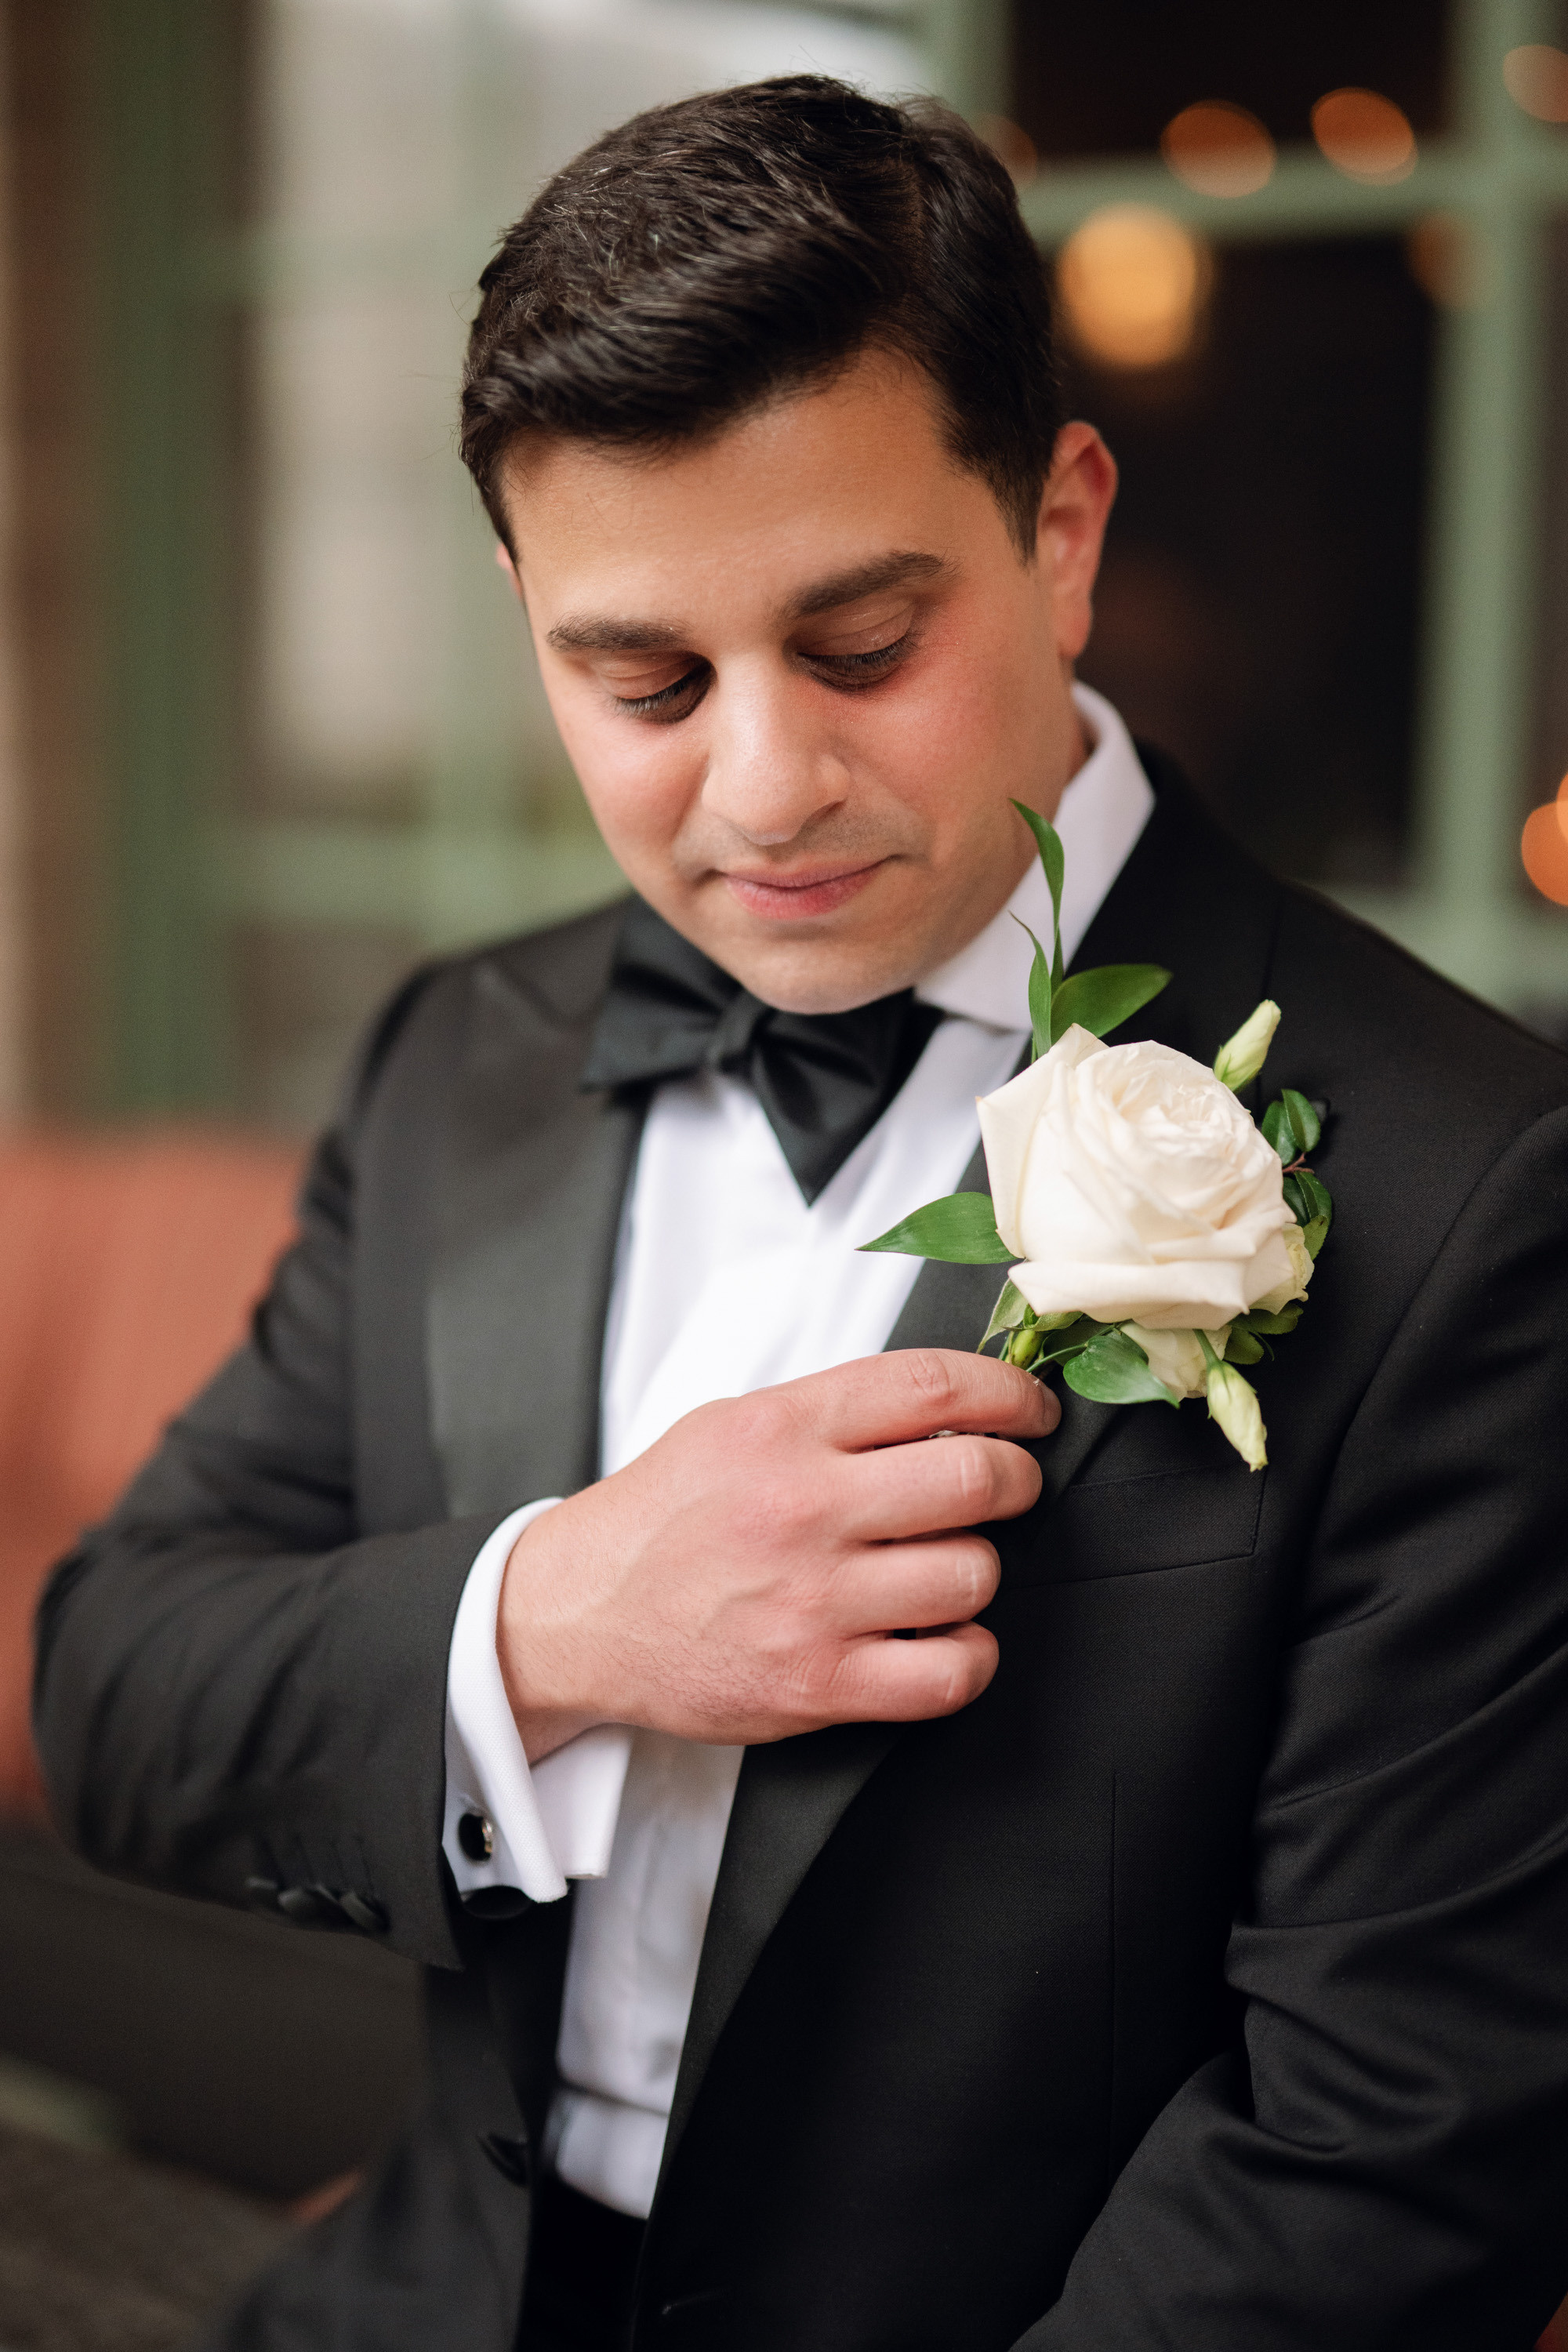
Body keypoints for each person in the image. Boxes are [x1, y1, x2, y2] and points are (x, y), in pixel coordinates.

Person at [31, 74, 1568, 2352]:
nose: (763, 788)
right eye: (638, 675)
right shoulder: (460, 1056)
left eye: (860, 645)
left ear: (1059, 527)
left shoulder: (1477, 1184)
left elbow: (1384, 2151)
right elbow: (122, 1691)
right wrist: (555, 1615)